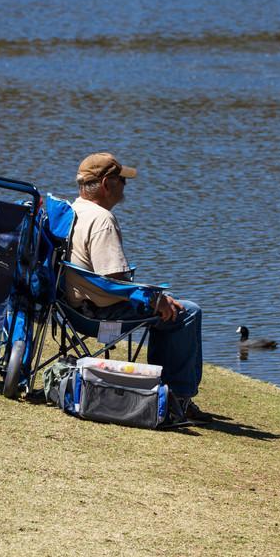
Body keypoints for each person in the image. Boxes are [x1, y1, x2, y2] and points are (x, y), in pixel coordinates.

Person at [65, 152, 210, 422]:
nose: (125, 186)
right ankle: (177, 399)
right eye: (122, 180)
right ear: (107, 184)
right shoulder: (102, 220)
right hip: (98, 316)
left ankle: (165, 392)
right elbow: (114, 282)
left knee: (168, 304)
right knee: (186, 312)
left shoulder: (71, 210)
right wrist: (154, 299)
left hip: (72, 309)